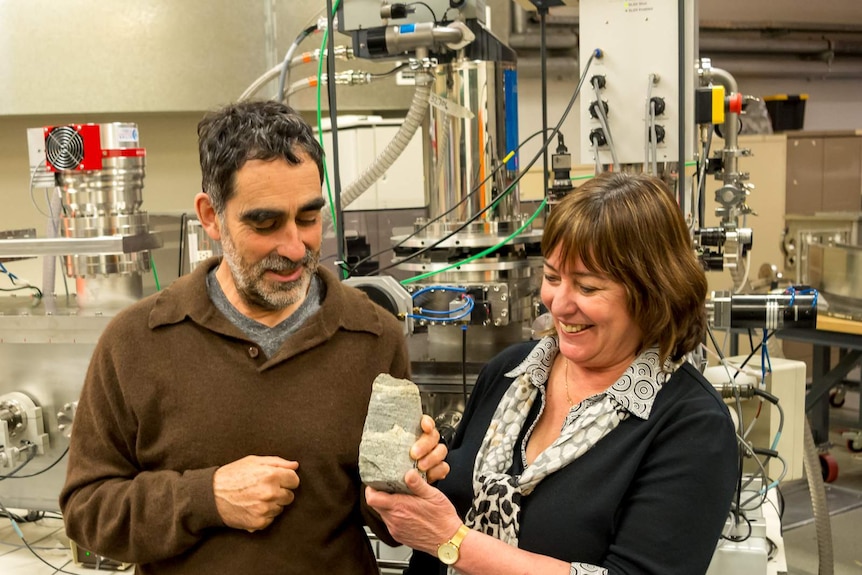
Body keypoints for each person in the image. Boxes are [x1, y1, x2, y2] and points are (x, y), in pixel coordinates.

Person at [60, 100, 448, 575]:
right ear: (211, 216)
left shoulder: (371, 335)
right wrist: (207, 498)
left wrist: (413, 483)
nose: (294, 247)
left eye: (308, 219)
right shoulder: (137, 342)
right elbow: (87, 510)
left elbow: (391, 524)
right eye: (264, 223)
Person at [366, 172, 739, 574]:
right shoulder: (511, 373)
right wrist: (422, 473)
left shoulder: (692, 425)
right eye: (552, 277)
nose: (558, 304)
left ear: (653, 291)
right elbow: (450, 504)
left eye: (588, 287)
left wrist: (454, 542)